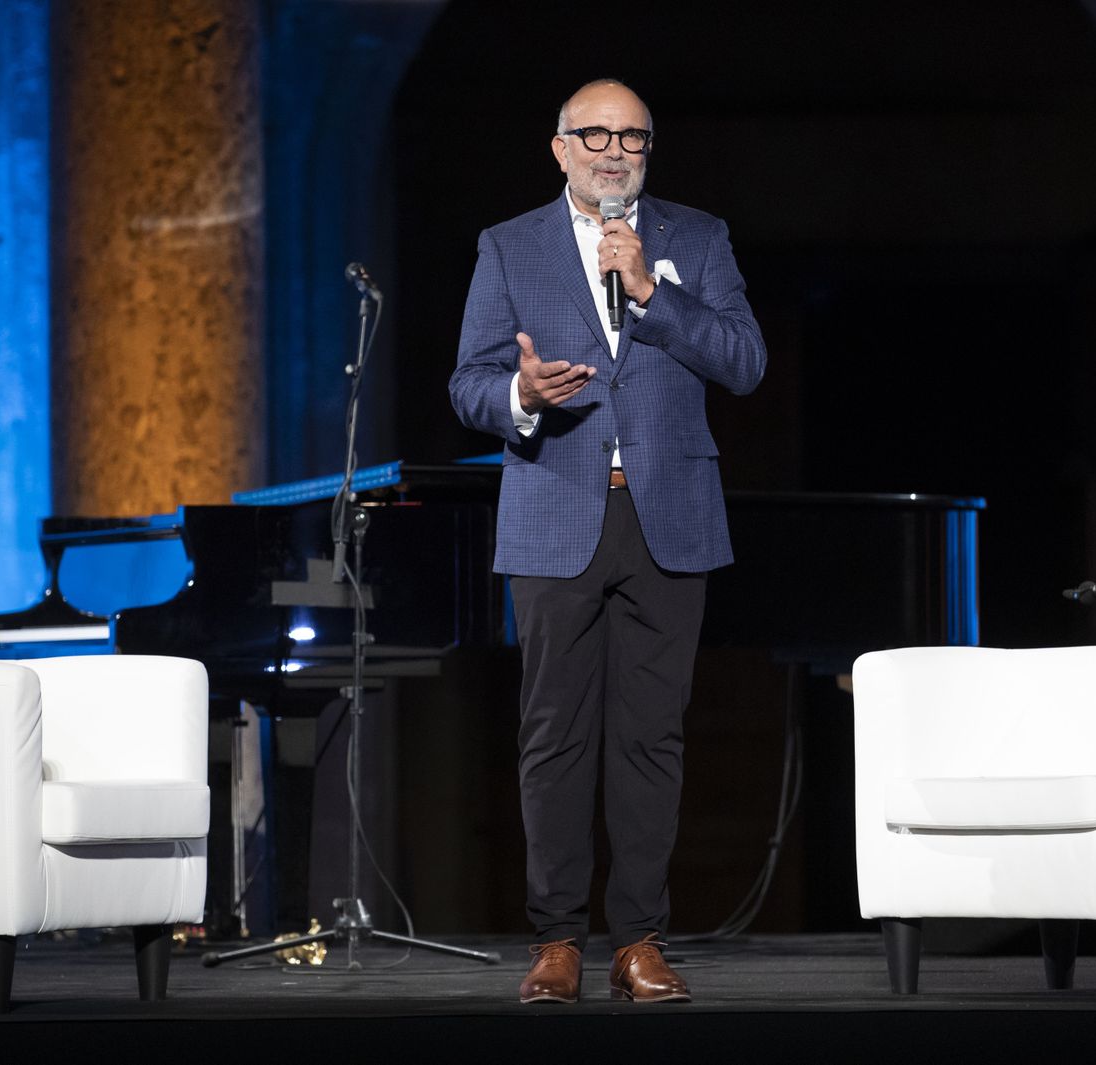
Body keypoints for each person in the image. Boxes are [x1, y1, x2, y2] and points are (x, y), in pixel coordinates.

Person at [449, 78, 766, 1004]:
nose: (613, 149)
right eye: (594, 134)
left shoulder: (693, 239)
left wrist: (650, 294)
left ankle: (638, 937)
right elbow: (468, 382)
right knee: (553, 736)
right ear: (559, 148)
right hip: (555, 509)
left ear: (648, 150)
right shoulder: (510, 245)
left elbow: (744, 361)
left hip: (668, 513)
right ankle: (556, 938)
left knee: (651, 739)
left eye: (632, 136)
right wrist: (522, 398)